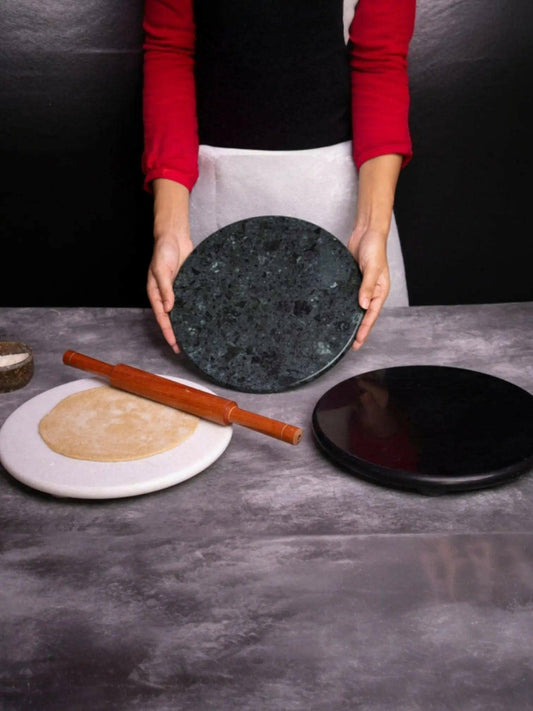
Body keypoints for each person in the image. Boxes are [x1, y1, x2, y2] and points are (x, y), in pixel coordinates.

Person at [142, 0, 415, 354]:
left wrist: (370, 229)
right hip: (212, 191)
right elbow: (169, 51)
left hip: (342, 199)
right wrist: (171, 230)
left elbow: (380, 60)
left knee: (364, 395)